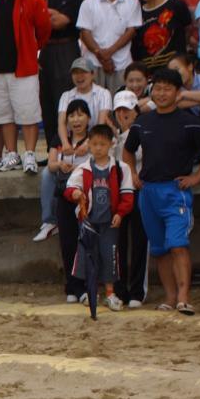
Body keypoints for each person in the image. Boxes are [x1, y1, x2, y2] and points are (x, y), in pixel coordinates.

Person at [122, 66, 200, 313]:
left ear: (178, 92)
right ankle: (170, 297)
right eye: (158, 89)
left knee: (177, 244)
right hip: (148, 192)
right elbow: (127, 151)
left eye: (167, 89)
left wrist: (197, 177)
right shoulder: (143, 122)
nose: (162, 94)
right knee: (160, 248)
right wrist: (132, 173)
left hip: (175, 192)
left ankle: (184, 297)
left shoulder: (190, 123)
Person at [37, 59, 116, 241]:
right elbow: (62, 121)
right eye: (75, 73)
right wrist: (65, 143)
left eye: (83, 72)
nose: (79, 77)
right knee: (48, 174)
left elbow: (102, 120)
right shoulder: (67, 95)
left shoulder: (102, 93)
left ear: (92, 74)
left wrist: (89, 143)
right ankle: (49, 221)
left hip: (96, 144)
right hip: (73, 143)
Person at [0, 0, 52, 174]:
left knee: (28, 113)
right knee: (4, 115)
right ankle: (12, 153)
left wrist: (32, 49)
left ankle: (29, 154)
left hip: (24, 68)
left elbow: (44, 29)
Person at [64, 123, 137, 313]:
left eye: (102, 144)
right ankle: (91, 291)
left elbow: (127, 195)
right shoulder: (83, 169)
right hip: (88, 222)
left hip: (110, 222)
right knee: (89, 257)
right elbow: (70, 188)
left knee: (110, 256)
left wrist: (120, 213)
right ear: (89, 144)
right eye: (94, 144)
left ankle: (110, 294)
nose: (98, 148)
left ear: (111, 144)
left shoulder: (121, 169)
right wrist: (75, 194)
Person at [51, 99, 102, 299]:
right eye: (71, 115)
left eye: (80, 114)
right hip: (65, 195)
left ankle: (86, 285)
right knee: (68, 242)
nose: (76, 119)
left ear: (89, 118)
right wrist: (60, 165)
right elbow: (51, 165)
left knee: (88, 242)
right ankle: (72, 286)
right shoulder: (61, 139)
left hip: (88, 196)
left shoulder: (96, 139)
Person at [42, 0, 90, 154]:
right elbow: (39, 17)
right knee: (45, 101)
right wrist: (50, 14)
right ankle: (51, 151)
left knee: (62, 100)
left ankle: (65, 148)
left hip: (67, 48)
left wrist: (51, 14)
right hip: (46, 49)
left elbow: (58, 22)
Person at [111, 89, 150, 305]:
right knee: (118, 243)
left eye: (127, 109)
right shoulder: (112, 138)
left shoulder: (143, 131)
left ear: (136, 110)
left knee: (139, 242)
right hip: (118, 195)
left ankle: (137, 291)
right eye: (119, 110)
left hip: (138, 191)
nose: (123, 113)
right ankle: (119, 289)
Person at [79, 0, 144, 93]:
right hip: (93, 64)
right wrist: (102, 56)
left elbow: (131, 31)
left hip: (122, 64)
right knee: (94, 106)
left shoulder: (132, 1)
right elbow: (85, 33)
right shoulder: (88, 3)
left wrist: (109, 52)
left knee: (121, 104)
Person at [133, 0, 195, 69]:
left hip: (176, 66)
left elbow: (188, 29)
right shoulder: (137, 13)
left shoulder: (176, 5)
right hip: (149, 69)